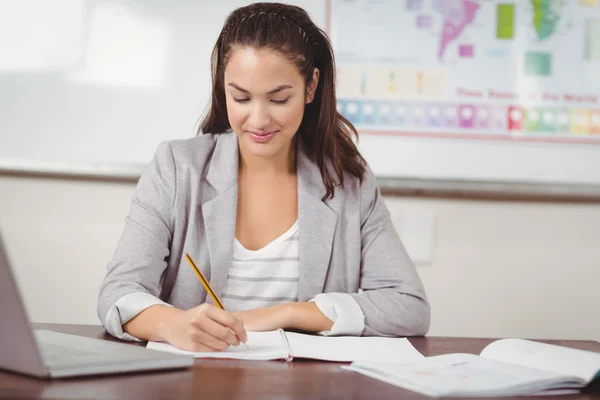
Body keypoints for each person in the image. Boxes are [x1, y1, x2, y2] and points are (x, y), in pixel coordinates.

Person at [97, 2, 430, 352]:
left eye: (278, 99)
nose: (257, 120)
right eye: (240, 97)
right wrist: (171, 323)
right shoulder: (177, 168)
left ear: (311, 86)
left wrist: (288, 314)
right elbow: (117, 293)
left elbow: (409, 306)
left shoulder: (349, 182)